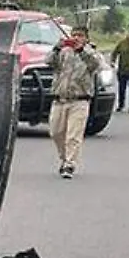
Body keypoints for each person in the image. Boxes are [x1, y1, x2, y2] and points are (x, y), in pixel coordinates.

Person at [47, 26, 105, 178]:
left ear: (86, 38)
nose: (76, 38)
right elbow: (48, 62)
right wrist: (56, 48)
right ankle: (64, 158)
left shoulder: (92, 53)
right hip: (60, 98)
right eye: (74, 35)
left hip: (79, 100)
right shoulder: (63, 52)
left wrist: (81, 51)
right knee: (55, 132)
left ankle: (69, 164)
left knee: (73, 135)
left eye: (80, 36)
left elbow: (96, 66)